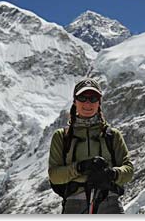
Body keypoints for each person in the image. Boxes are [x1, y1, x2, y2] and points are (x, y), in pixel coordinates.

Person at [48, 78, 134, 214]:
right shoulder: (62, 136)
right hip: (74, 204)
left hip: (109, 202)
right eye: (82, 98)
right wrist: (80, 167)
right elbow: (54, 175)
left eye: (93, 98)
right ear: (75, 101)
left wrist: (111, 174)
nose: (88, 103)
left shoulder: (112, 135)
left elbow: (129, 170)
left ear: (99, 102)